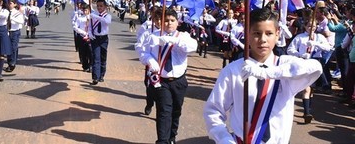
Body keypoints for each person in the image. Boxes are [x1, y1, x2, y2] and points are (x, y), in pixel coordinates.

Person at [204, 8, 323, 143]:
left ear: (278, 34)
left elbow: (315, 68)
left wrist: (268, 72)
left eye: (269, 33)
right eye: (256, 33)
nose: (262, 40)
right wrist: (224, 139)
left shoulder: (284, 65)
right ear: (247, 34)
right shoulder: (233, 70)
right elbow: (213, 111)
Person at [136, 8, 197, 143]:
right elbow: (142, 51)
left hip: (178, 81)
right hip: (161, 81)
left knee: (176, 111)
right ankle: (162, 141)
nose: (169, 23)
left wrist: (173, 41)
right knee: (164, 111)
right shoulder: (153, 36)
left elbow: (192, 46)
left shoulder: (183, 36)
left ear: (177, 22)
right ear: (161, 22)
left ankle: (172, 138)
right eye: (166, 20)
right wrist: (150, 61)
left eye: (172, 20)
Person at [286, 12, 332, 124]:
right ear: (305, 26)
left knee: (312, 90)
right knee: (306, 88)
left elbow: (328, 48)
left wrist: (316, 44)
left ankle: (308, 109)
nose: (312, 28)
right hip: (304, 63)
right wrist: (300, 55)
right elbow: (290, 50)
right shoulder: (299, 37)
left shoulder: (319, 37)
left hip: (316, 64)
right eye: (309, 26)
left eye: (314, 26)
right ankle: (307, 113)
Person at [88, 0, 112, 85]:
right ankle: (95, 77)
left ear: (105, 7)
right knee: (96, 57)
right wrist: (90, 33)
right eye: (98, 6)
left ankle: (101, 75)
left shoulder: (107, 16)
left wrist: (96, 17)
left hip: (104, 39)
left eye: (101, 6)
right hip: (95, 38)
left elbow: (106, 22)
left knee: (103, 57)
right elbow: (90, 26)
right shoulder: (93, 15)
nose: (99, 7)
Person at [6, 0, 25, 73]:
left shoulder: (17, 13)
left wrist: (12, 19)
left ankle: (12, 63)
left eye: (10, 3)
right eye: (8, 3)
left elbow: (21, 21)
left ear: (15, 4)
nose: (9, 5)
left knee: (13, 48)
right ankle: (10, 61)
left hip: (15, 31)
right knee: (8, 48)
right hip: (7, 31)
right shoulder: (6, 12)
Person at [72, 3, 93, 73]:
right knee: (83, 53)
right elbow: (75, 27)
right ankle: (85, 66)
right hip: (82, 37)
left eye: (86, 10)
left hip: (90, 37)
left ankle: (91, 66)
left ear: (89, 10)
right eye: (84, 10)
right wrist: (83, 33)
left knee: (91, 52)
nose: (85, 12)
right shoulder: (79, 18)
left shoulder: (92, 18)